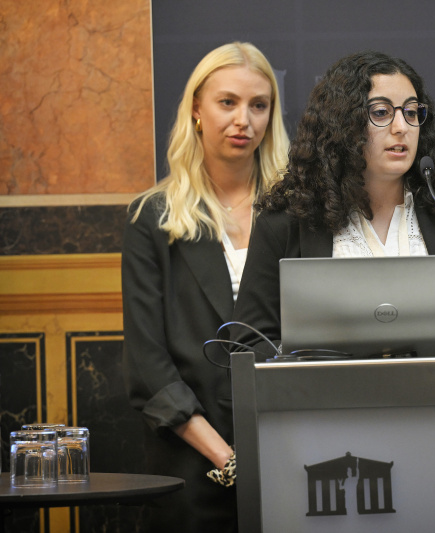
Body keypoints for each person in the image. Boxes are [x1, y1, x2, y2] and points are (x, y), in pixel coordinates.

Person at [232, 50, 435, 355]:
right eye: (381, 112)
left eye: (411, 112)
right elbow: (247, 346)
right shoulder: (285, 223)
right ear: (342, 124)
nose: (402, 127)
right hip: (329, 400)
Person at [121, 42, 289, 532]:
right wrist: (227, 457)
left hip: (287, 456)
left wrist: (268, 453)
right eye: (228, 102)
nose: (244, 120)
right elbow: (148, 363)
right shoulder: (152, 218)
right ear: (196, 110)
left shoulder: (296, 214)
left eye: (259, 105)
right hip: (189, 464)